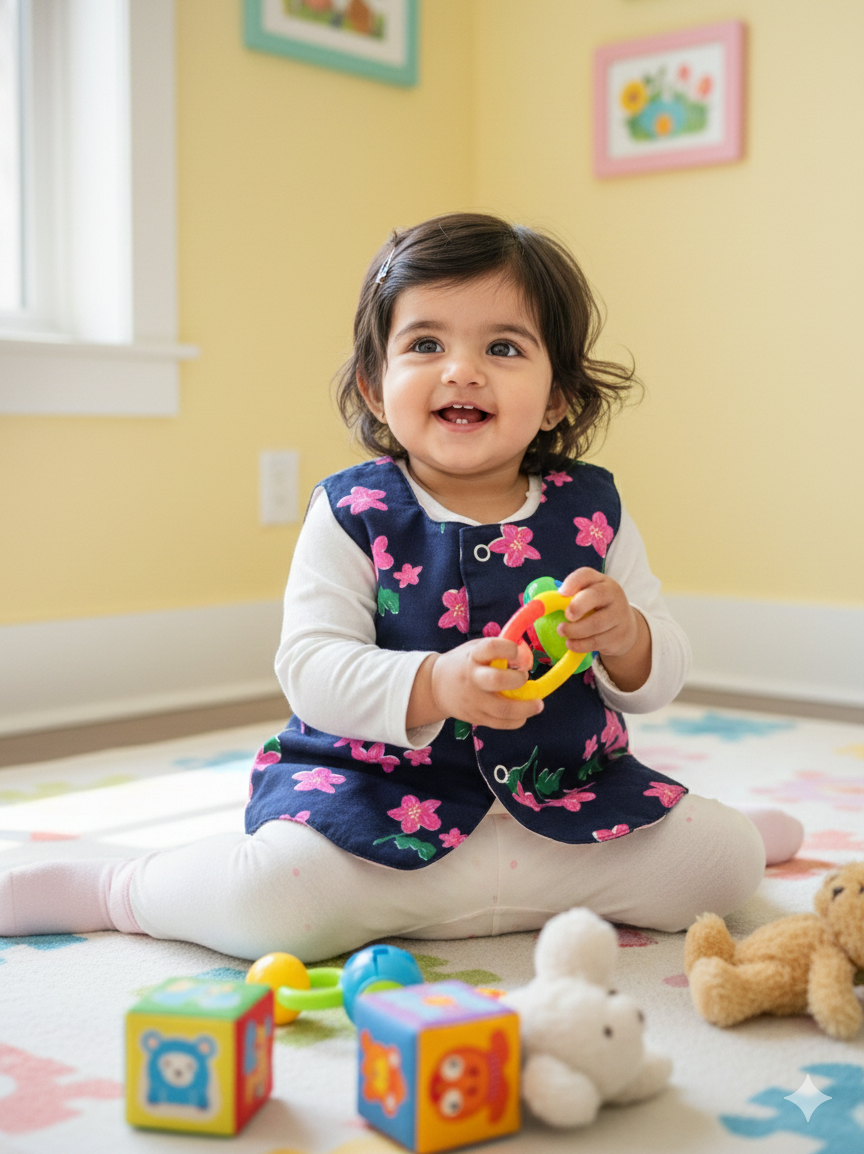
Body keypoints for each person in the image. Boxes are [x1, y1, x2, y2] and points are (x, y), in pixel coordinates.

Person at [0, 214, 802, 961]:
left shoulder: (594, 511)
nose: (462, 370)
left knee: (722, 867)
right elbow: (311, 668)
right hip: (382, 813)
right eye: (425, 344)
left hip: (564, 811)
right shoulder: (354, 511)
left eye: (505, 349)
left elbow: (660, 677)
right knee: (270, 904)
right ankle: (116, 887)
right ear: (375, 383)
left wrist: (630, 640)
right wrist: (433, 683)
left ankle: (703, 838)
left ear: (557, 395)